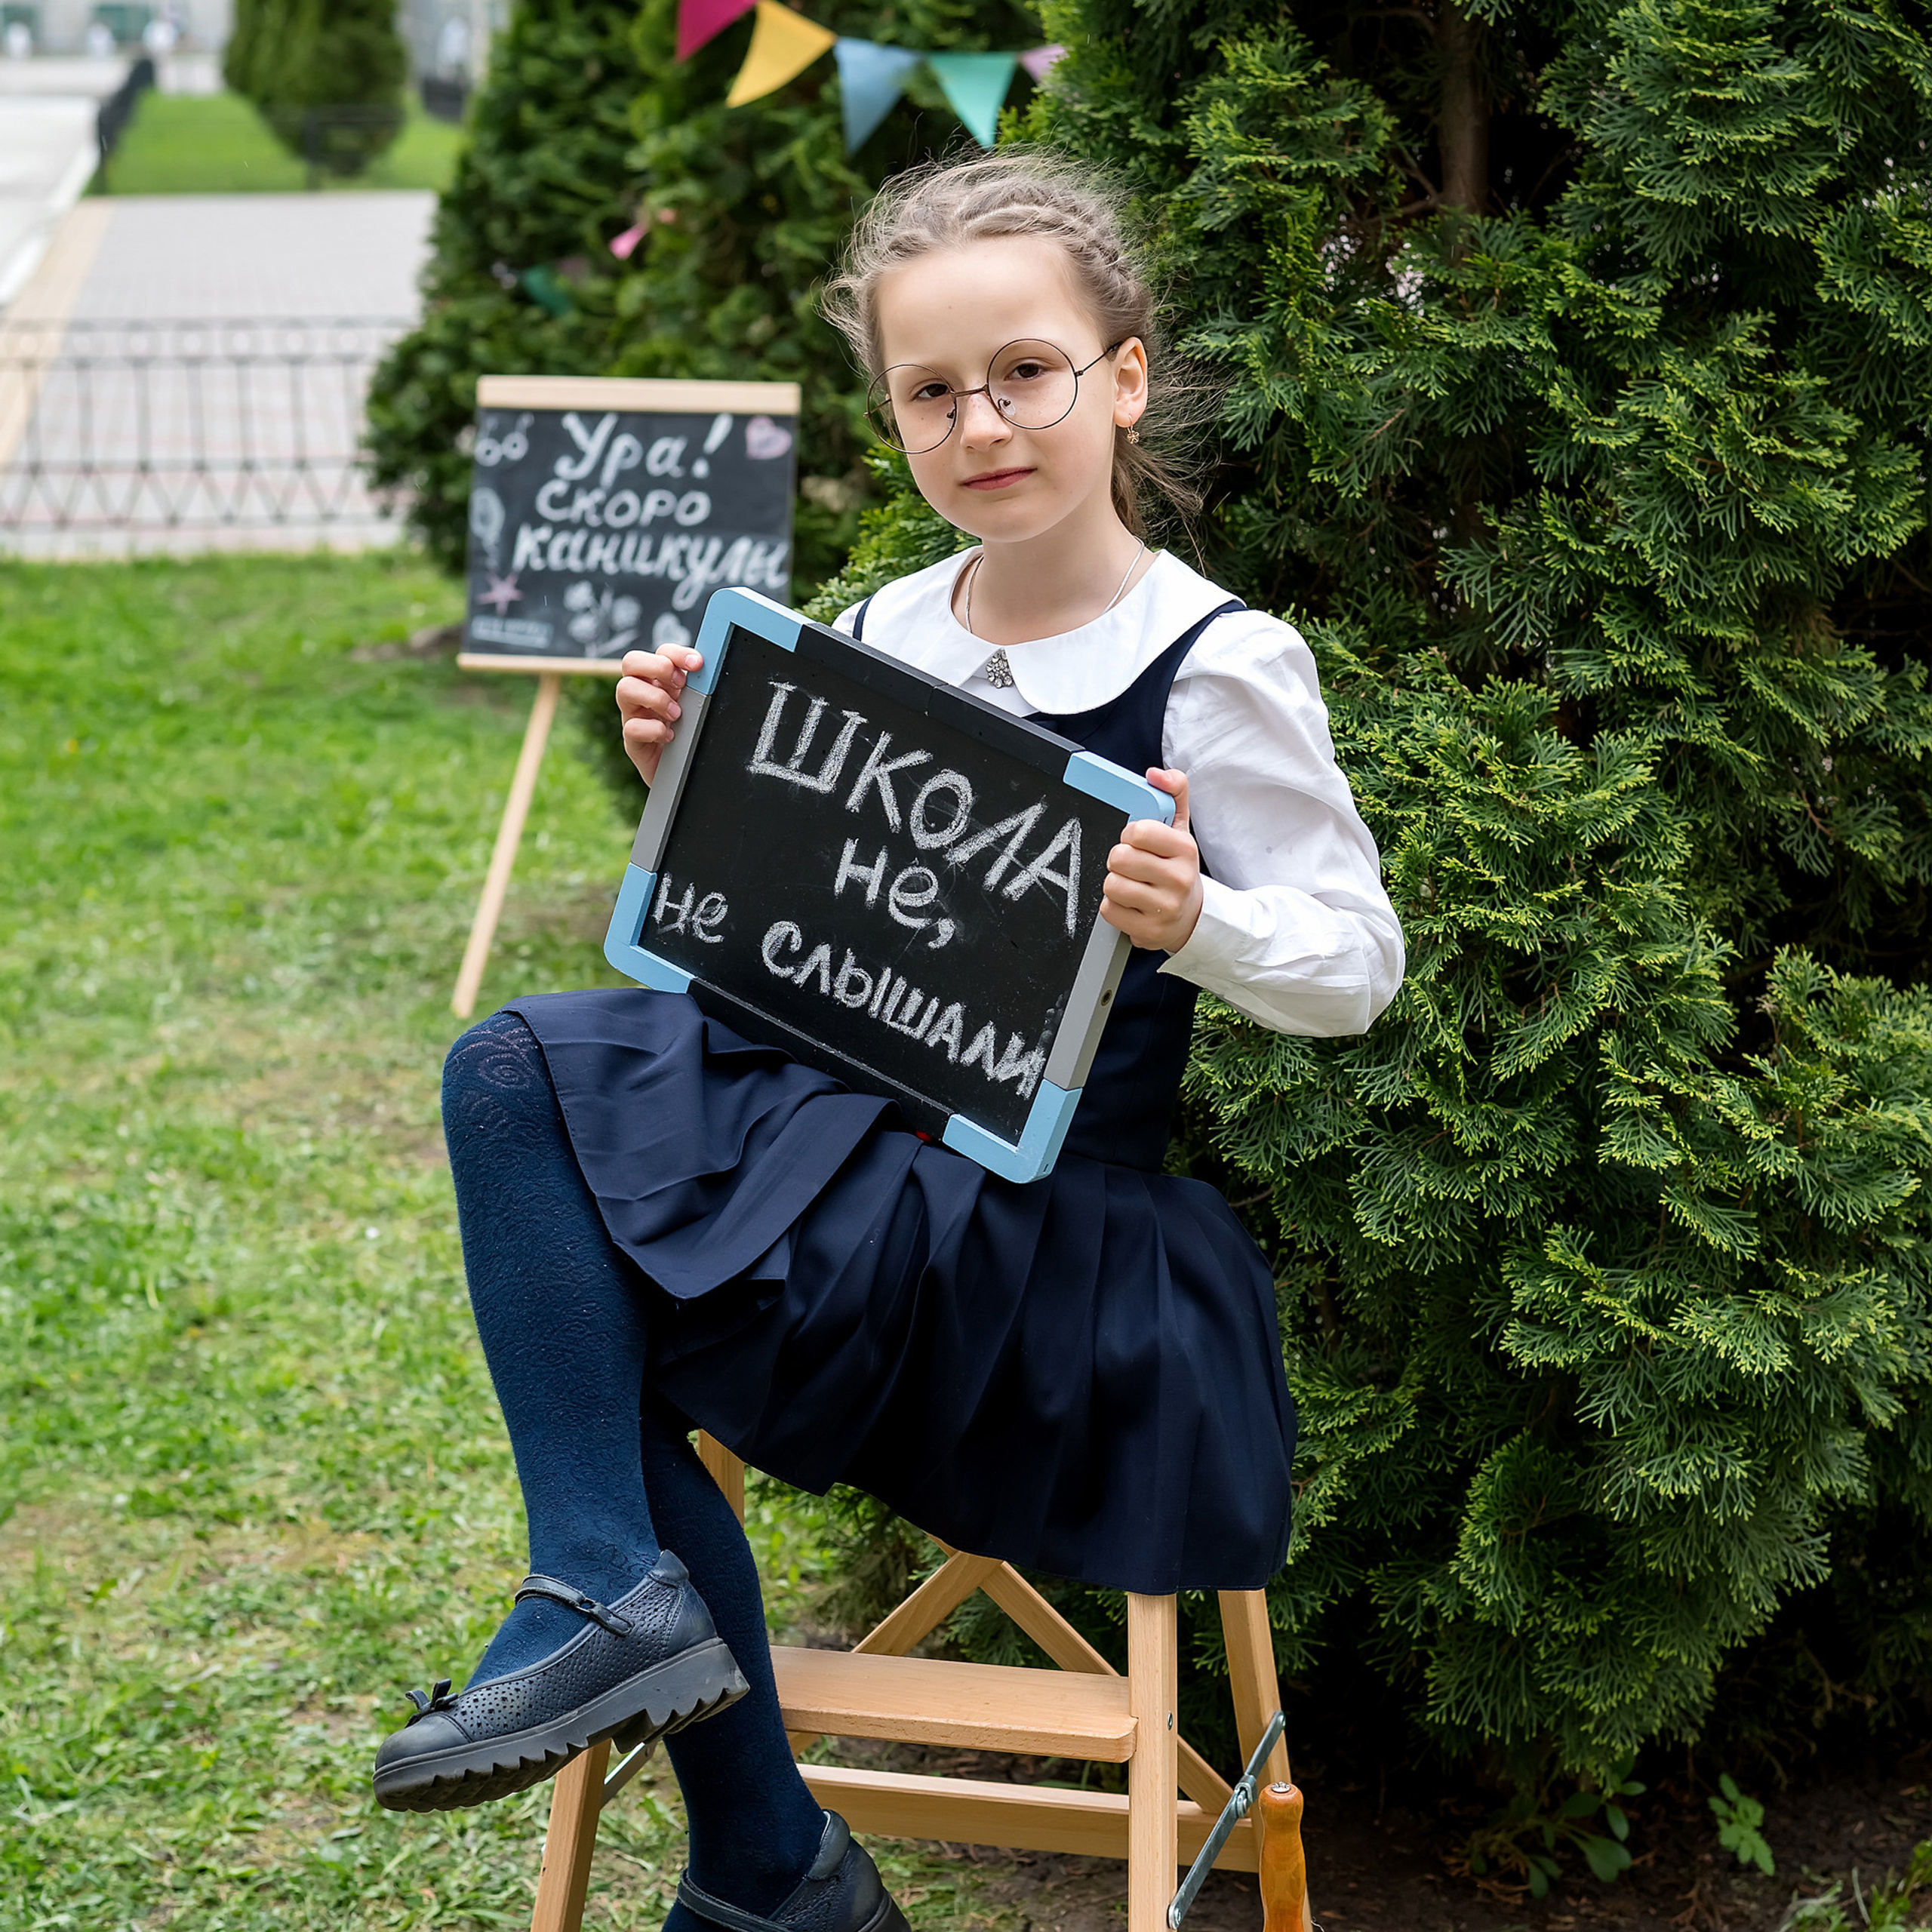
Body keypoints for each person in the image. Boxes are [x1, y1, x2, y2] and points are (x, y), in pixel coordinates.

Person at [372, 152, 1404, 1932]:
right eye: (930, 392)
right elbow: (779, 945)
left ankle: (766, 1852)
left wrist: (1196, 916)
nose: (980, 421)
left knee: (605, 1318)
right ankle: (620, 1597)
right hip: (826, 1134)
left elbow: (1358, 964)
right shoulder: (870, 634)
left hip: (1030, 1218)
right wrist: (686, 781)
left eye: (1023, 371)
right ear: (893, 417)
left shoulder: (1214, 662)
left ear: (1123, 377)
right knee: (508, 1071)